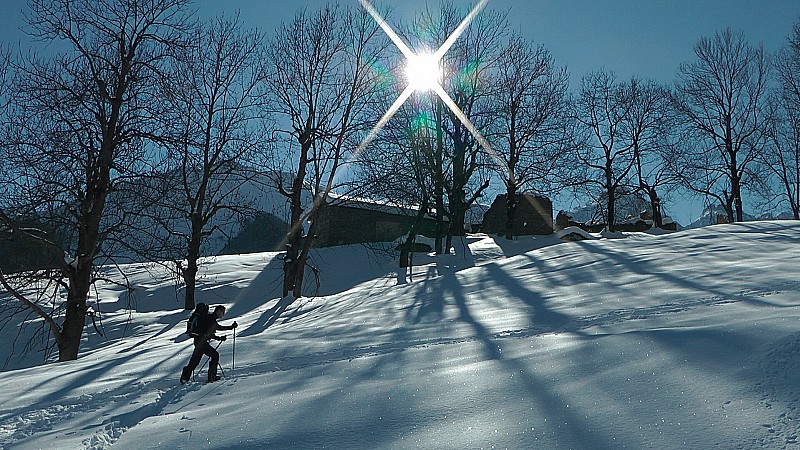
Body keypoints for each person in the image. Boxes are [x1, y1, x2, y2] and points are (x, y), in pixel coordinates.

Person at [180, 305, 238, 383]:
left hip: (198, 341)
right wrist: (230, 328)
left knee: (195, 361)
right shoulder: (210, 318)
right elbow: (215, 328)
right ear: (218, 311)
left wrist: (219, 337)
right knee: (214, 355)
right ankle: (211, 376)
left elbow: (209, 332)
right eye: (222, 312)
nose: (223, 314)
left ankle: (185, 377)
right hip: (202, 343)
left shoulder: (209, 318)